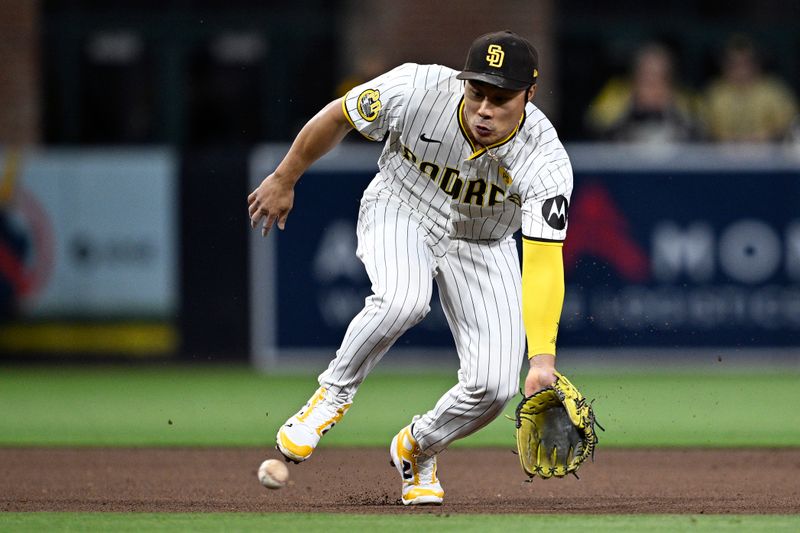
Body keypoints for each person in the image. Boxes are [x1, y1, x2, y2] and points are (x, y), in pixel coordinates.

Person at [248, 30, 573, 506]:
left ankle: (417, 448)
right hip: (403, 205)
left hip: (483, 241)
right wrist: (284, 176)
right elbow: (339, 114)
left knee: (495, 385)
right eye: (476, 91)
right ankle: (330, 398)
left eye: (501, 98)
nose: (484, 107)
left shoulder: (545, 160)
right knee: (402, 300)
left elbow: (544, 261)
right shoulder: (418, 89)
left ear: (530, 94)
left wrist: (542, 358)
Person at [585, 42, 698, 142]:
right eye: (646, 74)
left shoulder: (684, 99)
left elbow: (701, 132)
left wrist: (671, 107)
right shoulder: (616, 93)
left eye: (659, 75)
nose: (652, 81)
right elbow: (595, 126)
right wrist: (632, 105)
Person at [702, 35, 798, 142]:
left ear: (757, 64)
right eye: (734, 64)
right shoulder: (715, 93)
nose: (741, 70)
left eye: (746, 63)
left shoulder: (774, 91)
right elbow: (705, 131)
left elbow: (789, 128)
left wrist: (760, 139)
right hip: (721, 154)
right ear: (724, 65)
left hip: (770, 154)